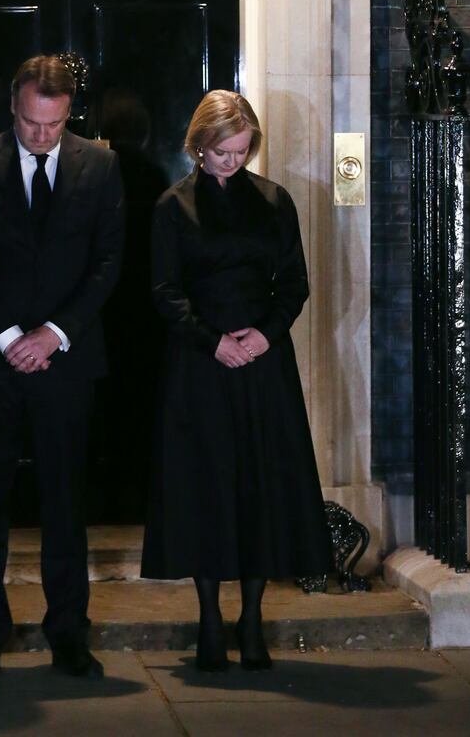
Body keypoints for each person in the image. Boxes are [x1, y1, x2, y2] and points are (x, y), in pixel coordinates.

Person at [0, 55, 125, 680]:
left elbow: (109, 262)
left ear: (67, 111)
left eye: (52, 124)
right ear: (13, 107)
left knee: (65, 502)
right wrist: (8, 338)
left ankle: (69, 636)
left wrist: (53, 335)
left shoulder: (100, 165)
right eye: (30, 123)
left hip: (67, 362)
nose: (41, 136)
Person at [141, 90, 329, 672]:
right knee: (205, 483)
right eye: (222, 152)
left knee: (259, 484)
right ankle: (208, 617)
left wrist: (263, 336)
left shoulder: (275, 201)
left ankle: (251, 618)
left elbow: (294, 283)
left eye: (242, 151)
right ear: (199, 146)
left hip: (262, 362)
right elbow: (164, 291)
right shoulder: (174, 206)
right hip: (200, 363)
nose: (232, 161)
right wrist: (213, 341)